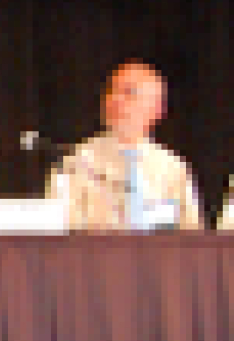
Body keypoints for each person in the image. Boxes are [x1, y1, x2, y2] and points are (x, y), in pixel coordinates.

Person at [51, 61, 202, 230]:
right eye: (111, 91)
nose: (115, 100)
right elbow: (60, 233)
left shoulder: (172, 168)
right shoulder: (76, 163)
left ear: (157, 109)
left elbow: (192, 236)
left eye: (129, 93)